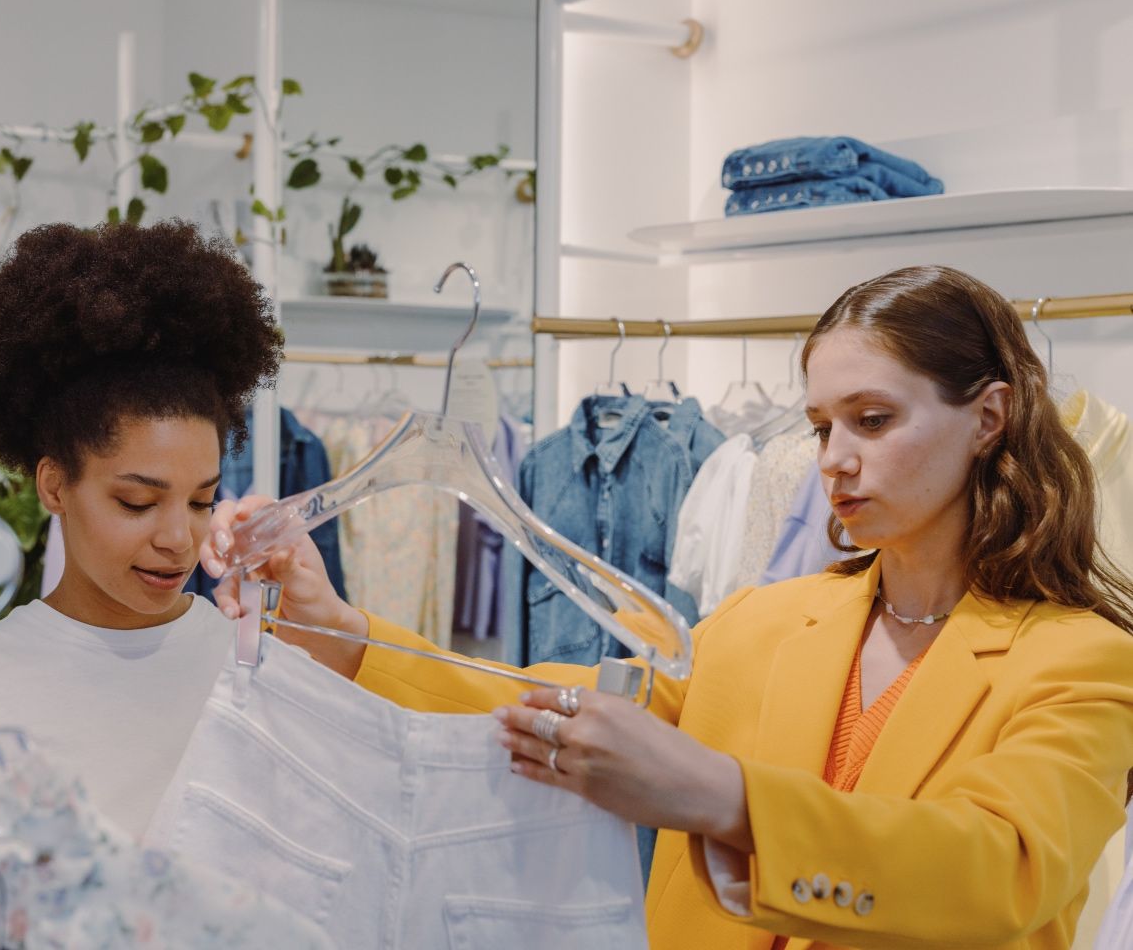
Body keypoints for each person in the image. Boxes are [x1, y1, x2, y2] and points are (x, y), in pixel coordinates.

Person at [202, 265, 1133, 949]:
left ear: (990, 416)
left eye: (873, 419)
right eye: (820, 428)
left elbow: (1000, 866)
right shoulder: (771, 620)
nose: (834, 459)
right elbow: (565, 703)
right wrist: (339, 628)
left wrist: (719, 797)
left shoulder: (1079, 657)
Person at [0, 219, 282, 839]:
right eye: (135, 502)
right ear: (54, 487)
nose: (179, 538)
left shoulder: (247, 661)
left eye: (202, 500)